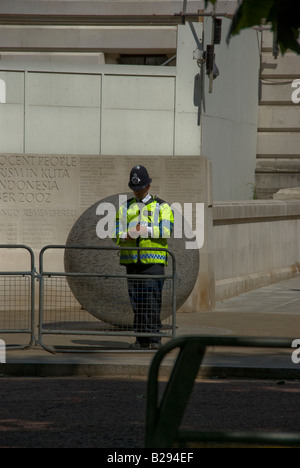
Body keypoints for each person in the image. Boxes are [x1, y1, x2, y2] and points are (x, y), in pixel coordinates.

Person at [113, 165, 174, 349]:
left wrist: (146, 231)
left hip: (153, 262)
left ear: (148, 186)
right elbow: (115, 231)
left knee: (152, 301)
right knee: (137, 302)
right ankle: (140, 339)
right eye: (134, 189)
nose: (137, 192)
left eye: (140, 189)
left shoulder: (162, 206)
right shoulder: (126, 207)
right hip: (132, 261)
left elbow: (168, 230)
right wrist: (126, 235)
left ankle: (154, 339)